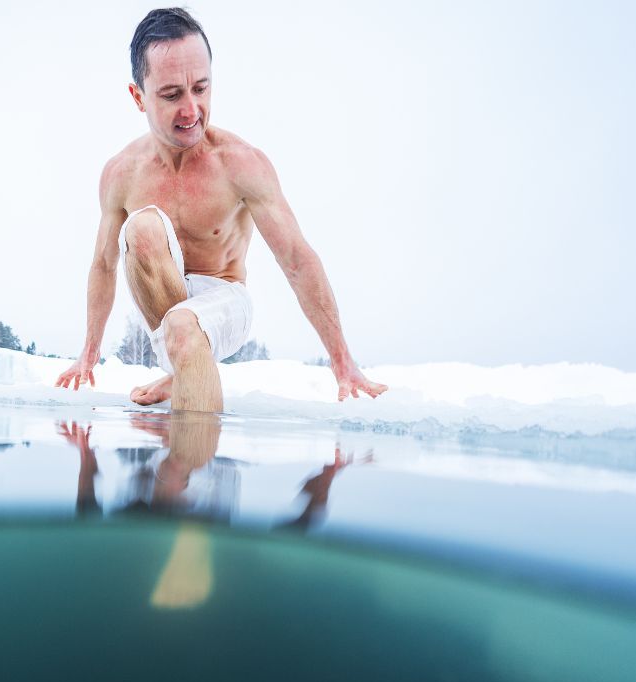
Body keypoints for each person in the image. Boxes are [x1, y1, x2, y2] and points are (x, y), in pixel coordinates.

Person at [55, 7, 387, 412]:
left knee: (183, 326)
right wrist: (88, 353)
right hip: (163, 309)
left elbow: (297, 259)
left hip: (226, 301)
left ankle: (194, 437)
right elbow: (104, 265)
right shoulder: (122, 173)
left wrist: (342, 362)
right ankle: (181, 370)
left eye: (201, 88)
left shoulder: (240, 163)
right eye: (172, 94)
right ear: (138, 97)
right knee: (140, 230)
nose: (192, 110)